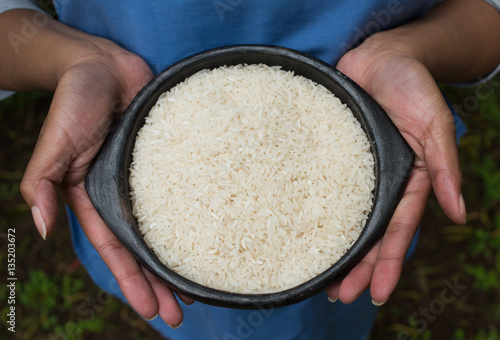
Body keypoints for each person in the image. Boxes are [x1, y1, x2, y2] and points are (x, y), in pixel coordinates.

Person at [1, 0, 499, 338]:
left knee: (326, 316)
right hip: (135, 185)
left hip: (353, 193)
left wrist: (412, 48)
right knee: (189, 317)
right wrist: (75, 61)